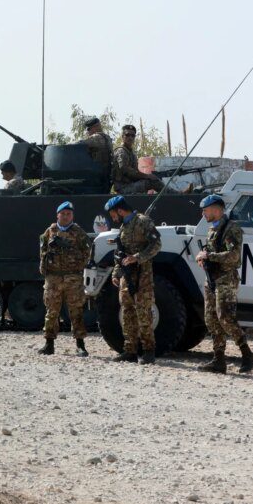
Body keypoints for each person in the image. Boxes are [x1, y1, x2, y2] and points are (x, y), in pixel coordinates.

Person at [195, 194, 253, 374]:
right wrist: (205, 258)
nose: (203, 214)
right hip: (212, 279)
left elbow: (234, 256)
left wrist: (209, 256)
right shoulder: (212, 229)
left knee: (225, 318)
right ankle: (218, 360)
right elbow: (213, 251)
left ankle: (247, 354)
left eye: (205, 210)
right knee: (211, 319)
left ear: (216, 209)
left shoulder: (232, 228)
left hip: (226, 279)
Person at [105, 195, 161, 364]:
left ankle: (149, 350)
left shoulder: (143, 222)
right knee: (127, 311)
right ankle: (130, 350)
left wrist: (137, 257)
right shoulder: (124, 227)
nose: (113, 218)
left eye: (113, 214)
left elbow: (156, 245)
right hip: (126, 275)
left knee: (143, 311)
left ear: (120, 210)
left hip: (142, 275)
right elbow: (120, 253)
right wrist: (116, 272)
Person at [38, 201, 92, 356]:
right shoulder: (50, 231)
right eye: (63, 214)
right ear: (58, 215)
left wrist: (75, 258)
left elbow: (87, 252)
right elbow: (42, 251)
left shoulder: (78, 232)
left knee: (76, 311)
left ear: (72, 216)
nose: (66, 216)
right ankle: (49, 344)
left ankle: (80, 344)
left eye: (69, 214)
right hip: (53, 277)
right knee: (51, 311)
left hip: (73, 277)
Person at [112, 125, 164, 194]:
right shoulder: (121, 152)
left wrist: (147, 176)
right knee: (152, 182)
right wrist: (147, 176)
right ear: (122, 136)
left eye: (132, 136)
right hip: (123, 188)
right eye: (127, 135)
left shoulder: (131, 153)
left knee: (153, 179)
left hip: (131, 185)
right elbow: (127, 171)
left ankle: (172, 195)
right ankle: (175, 195)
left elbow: (135, 172)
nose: (130, 138)